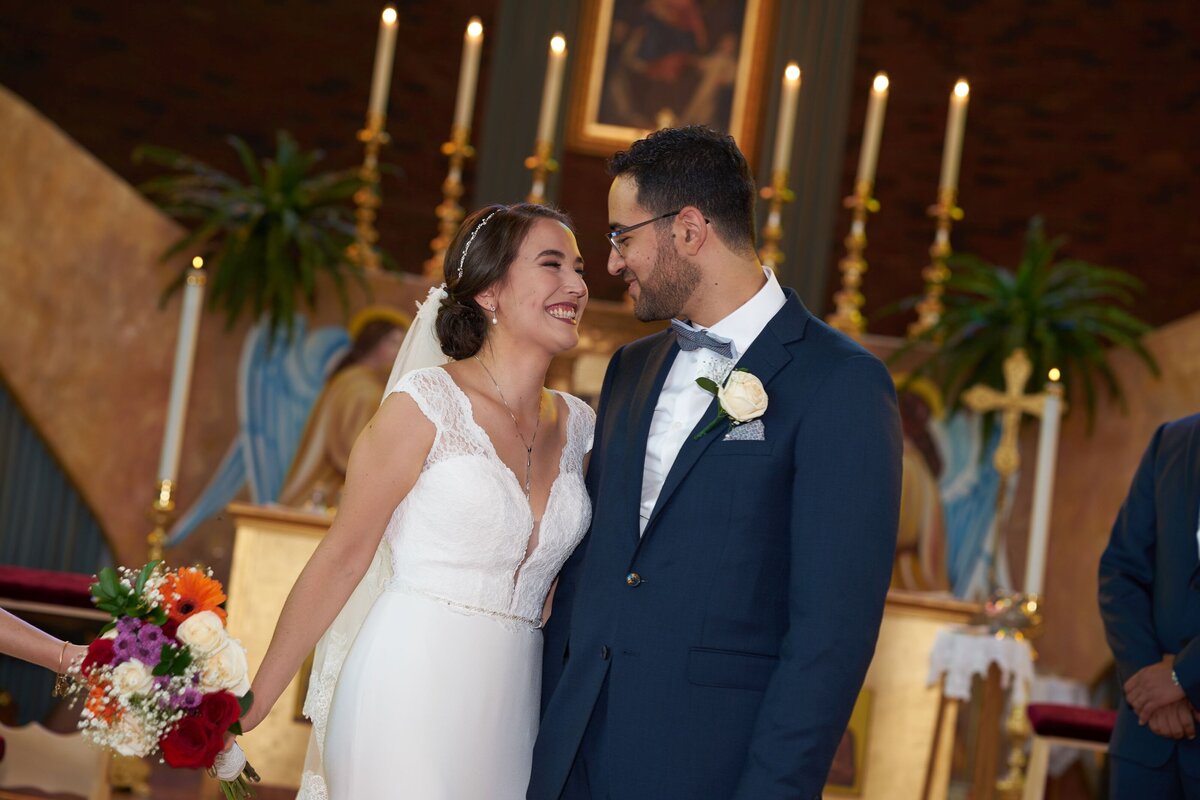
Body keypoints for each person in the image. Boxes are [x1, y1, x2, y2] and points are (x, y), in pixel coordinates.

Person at [529, 125, 903, 800]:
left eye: (622, 235)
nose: (611, 262)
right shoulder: (629, 369)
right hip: (574, 758)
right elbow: (600, 569)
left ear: (690, 229)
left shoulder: (840, 383)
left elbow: (832, 633)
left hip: (709, 767)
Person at [239, 202, 593, 800]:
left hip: (516, 702)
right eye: (552, 264)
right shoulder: (424, 404)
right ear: (489, 292)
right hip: (408, 684)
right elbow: (342, 558)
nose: (578, 286)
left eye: (580, 269)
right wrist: (255, 701)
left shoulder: (581, 425)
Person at [1098, 413, 1200, 798]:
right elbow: (1121, 571)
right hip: (1147, 742)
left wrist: (1183, 677)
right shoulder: (1171, 440)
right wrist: (1147, 679)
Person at [277, 306, 409, 510]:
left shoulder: (350, 380)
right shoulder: (363, 390)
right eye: (393, 343)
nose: (398, 352)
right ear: (373, 344)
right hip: (328, 496)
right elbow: (355, 452)